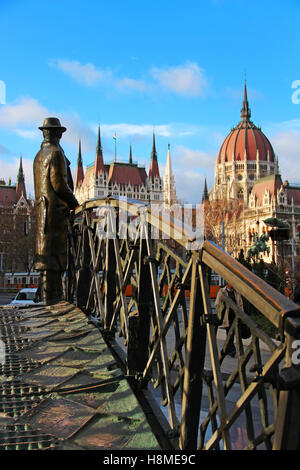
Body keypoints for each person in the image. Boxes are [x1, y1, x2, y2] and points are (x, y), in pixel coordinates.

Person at [33, 117, 79, 304]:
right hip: (55, 213)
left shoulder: (39, 155)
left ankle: (48, 299)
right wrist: (75, 204)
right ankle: (52, 301)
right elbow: (59, 184)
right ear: (57, 134)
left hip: (43, 211)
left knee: (47, 258)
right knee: (54, 259)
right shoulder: (55, 154)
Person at [215, 282, 244, 357]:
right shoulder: (222, 291)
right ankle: (231, 350)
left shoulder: (236, 292)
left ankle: (229, 350)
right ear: (228, 283)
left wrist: (242, 314)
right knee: (230, 333)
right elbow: (217, 303)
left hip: (236, 316)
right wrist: (221, 311)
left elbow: (240, 303)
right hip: (227, 316)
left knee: (236, 333)